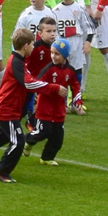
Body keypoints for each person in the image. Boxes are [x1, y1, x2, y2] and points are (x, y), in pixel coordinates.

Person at [0, 29, 67, 184]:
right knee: (18, 141)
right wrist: (53, 88)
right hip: (6, 109)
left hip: (10, 108)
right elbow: (29, 83)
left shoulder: (19, 60)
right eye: (31, 44)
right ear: (25, 46)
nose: (33, 47)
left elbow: (28, 79)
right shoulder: (16, 62)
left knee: (4, 134)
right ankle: (1, 172)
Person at [23, 38, 84, 166]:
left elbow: (75, 86)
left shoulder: (70, 71)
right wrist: (53, 89)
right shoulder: (48, 69)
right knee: (42, 132)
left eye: (57, 54)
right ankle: (25, 141)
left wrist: (77, 101)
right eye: (52, 53)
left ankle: (46, 157)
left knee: (57, 137)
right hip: (44, 109)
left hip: (59, 111)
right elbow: (39, 84)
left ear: (65, 55)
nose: (53, 56)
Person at [52, 0, 95, 106]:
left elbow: (90, 27)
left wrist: (87, 42)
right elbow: (53, 30)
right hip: (61, 43)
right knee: (62, 72)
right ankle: (62, 103)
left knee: (77, 73)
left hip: (76, 43)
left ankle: (76, 102)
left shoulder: (79, 9)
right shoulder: (56, 10)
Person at [23, 16, 57, 130]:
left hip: (45, 81)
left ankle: (33, 121)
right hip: (31, 81)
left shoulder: (56, 48)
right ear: (40, 33)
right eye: (48, 31)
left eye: (54, 31)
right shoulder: (35, 48)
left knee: (46, 105)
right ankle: (27, 117)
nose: (52, 34)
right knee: (24, 108)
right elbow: (25, 63)